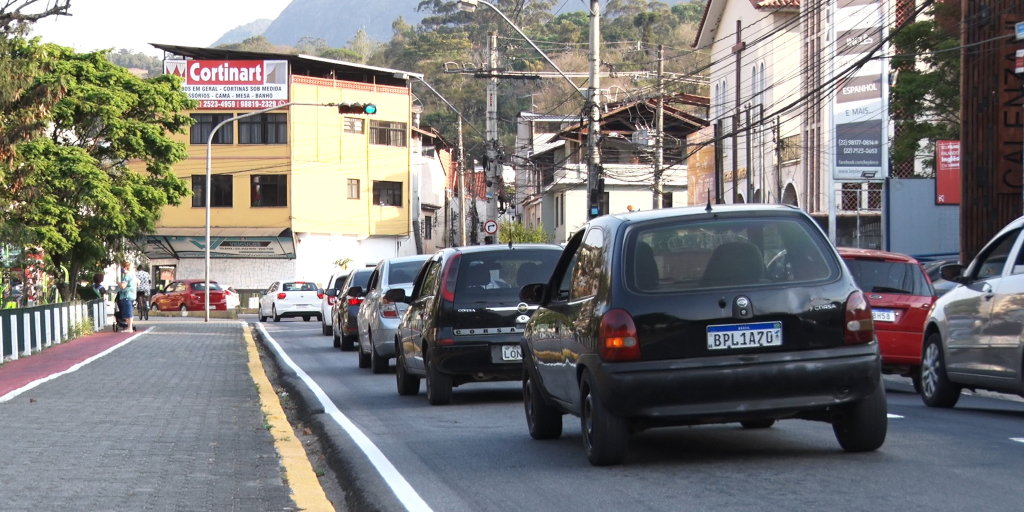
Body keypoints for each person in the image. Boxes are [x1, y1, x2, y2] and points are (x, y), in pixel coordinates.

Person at [117, 261, 138, 332]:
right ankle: (129, 327)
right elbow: (138, 282)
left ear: (125, 268)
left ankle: (130, 328)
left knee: (127, 312)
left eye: (122, 267)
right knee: (128, 310)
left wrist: (119, 283)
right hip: (132, 295)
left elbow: (123, 286)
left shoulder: (127, 276)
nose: (122, 269)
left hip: (126, 296)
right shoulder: (133, 275)